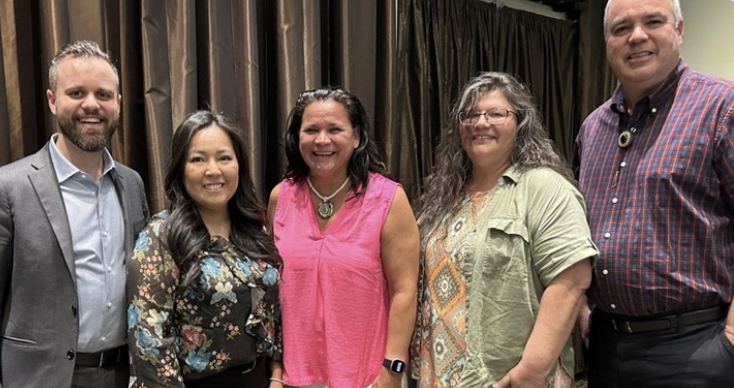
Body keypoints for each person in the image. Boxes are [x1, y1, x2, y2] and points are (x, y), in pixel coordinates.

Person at [576, 0, 734, 386]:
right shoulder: (593, 128)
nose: (637, 36)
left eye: (653, 21)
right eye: (621, 28)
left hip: (696, 347)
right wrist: (581, 307)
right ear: (607, 42)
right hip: (606, 345)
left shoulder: (722, 108)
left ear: (679, 30)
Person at [412, 72, 597, 388]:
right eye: (470, 115)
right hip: (440, 374)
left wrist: (531, 371)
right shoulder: (445, 196)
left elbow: (572, 280)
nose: (480, 123)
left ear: (520, 123)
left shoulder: (544, 188)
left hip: (511, 378)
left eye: (496, 113)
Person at [0, 40, 150, 388]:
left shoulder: (131, 184)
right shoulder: (10, 187)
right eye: (77, 92)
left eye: (103, 94)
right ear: (52, 100)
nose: (91, 105)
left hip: (121, 375)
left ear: (118, 104)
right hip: (38, 379)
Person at [267, 87, 419, 388]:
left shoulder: (388, 199)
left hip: (369, 378)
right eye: (311, 130)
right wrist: (275, 374)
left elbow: (405, 291)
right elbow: (272, 297)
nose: (322, 140)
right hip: (294, 379)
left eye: (334, 129)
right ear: (298, 138)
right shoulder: (280, 197)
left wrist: (392, 370)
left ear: (357, 136)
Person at [127, 110, 282, 387]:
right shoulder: (161, 236)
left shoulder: (253, 229)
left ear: (239, 165)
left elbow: (274, 310)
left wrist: (278, 376)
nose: (213, 170)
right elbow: (149, 342)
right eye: (198, 159)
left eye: (224, 157)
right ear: (181, 168)